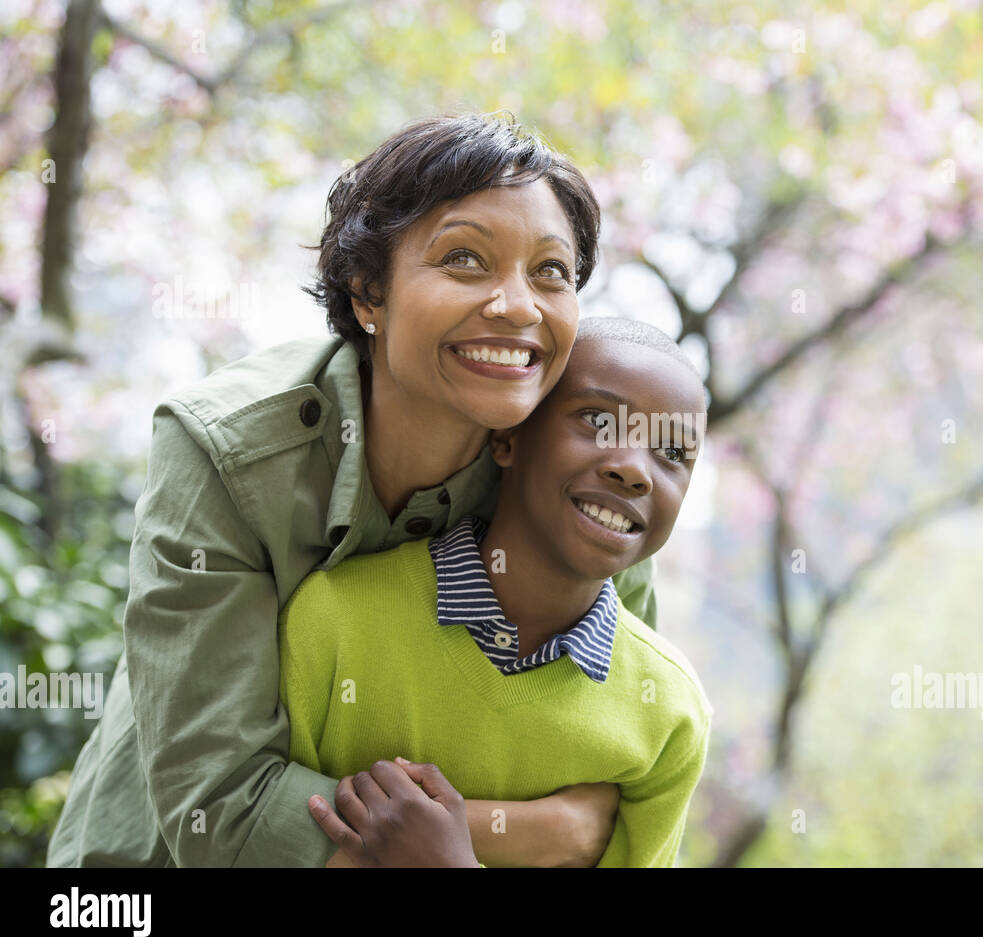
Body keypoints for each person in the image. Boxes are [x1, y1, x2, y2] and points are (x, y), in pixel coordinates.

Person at [47, 113, 656, 868]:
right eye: (464, 259)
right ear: (369, 291)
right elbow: (223, 805)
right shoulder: (226, 452)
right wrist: (534, 834)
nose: (518, 305)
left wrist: (449, 842)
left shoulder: (585, 477)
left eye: (551, 271)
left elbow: (621, 769)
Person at [279, 319, 712, 867]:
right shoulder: (333, 620)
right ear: (508, 437)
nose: (633, 470)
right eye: (599, 421)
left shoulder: (669, 715)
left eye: (673, 452)